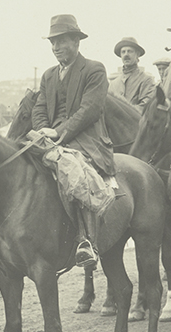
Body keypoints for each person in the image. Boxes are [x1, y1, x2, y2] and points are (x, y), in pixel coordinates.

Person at [31, 14, 114, 268]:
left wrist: (59, 133)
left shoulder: (94, 69)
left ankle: (86, 241)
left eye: (61, 41)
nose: (56, 47)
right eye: (53, 43)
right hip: (52, 139)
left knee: (73, 169)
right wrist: (43, 130)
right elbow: (39, 108)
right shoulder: (48, 76)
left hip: (86, 140)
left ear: (77, 42)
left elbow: (89, 109)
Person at [108, 37, 156, 110]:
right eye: (123, 52)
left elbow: (146, 107)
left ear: (137, 54)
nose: (126, 55)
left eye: (130, 51)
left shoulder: (146, 80)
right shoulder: (113, 84)